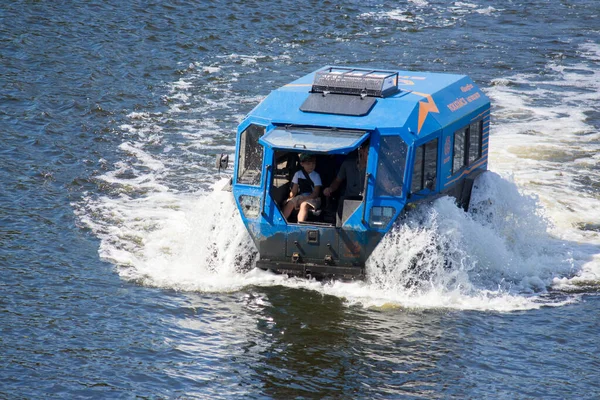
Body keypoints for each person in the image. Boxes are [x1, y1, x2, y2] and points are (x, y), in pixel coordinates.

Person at [323, 140, 369, 219]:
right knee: (342, 202)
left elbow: (385, 184)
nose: (371, 156)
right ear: (361, 151)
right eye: (368, 153)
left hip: (367, 200)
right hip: (349, 199)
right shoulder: (348, 163)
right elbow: (337, 180)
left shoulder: (377, 167)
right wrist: (330, 189)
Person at [283, 153, 322, 222]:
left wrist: (304, 200)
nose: (311, 166)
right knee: (290, 203)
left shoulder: (316, 176)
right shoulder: (298, 174)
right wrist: (290, 198)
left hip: (314, 198)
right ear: (302, 164)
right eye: (308, 164)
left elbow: (316, 193)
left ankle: (300, 224)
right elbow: (294, 191)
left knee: (304, 205)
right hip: (301, 196)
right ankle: (283, 221)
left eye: (313, 164)